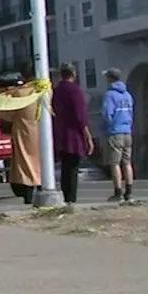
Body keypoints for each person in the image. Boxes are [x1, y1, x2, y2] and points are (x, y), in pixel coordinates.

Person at [0, 67, 43, 205]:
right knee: (42, 164)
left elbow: (7, 113)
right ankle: (43, 187)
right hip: (42, 132)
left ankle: (28, 197)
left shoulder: (19, 93)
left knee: (26, 164)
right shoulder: (44, 91)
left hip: (24, 131)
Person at [51, 62, 93, 204]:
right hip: (73, 135)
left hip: (60, 133)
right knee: (73, 168)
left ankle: (66, 196)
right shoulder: (75, 91)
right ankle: (71, 198)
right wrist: (88, 135)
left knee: (65, 168)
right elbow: (81, 115)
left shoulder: (56, 91)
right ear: (74, 74)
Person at [101, 67, 135, 202]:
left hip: (115, 132)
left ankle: (118, 192)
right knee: (127, 163)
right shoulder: (127, 95)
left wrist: (106, 128)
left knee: (114, 163)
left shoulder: (110, 95)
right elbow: (131, 114)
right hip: (127, 131)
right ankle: (129, 192)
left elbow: (107, 114)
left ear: (110, 78)